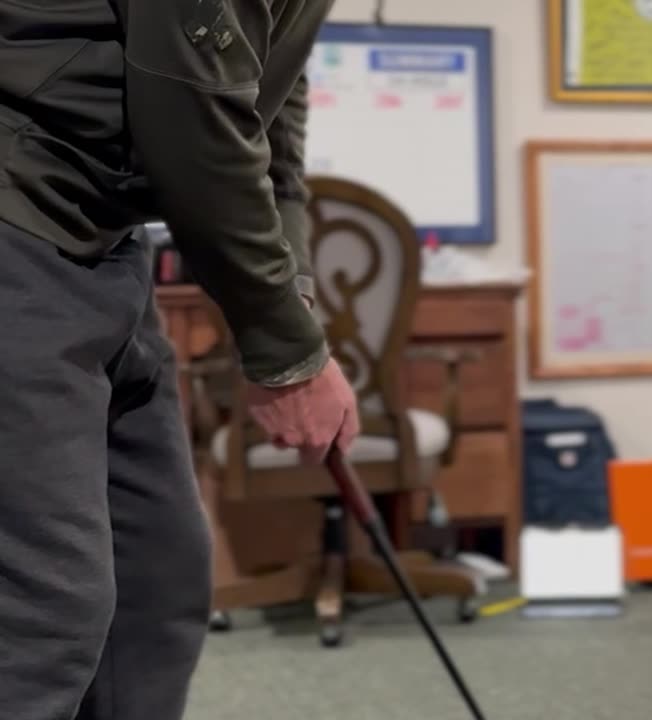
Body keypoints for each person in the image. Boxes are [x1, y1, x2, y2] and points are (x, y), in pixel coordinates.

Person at [0, 1, 357, 718]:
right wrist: (285, 354)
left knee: (155, 580)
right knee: (46, 612)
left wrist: (292, 304)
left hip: (103, 247)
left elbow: (270, 114)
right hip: (20, 225)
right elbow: (193, 119)